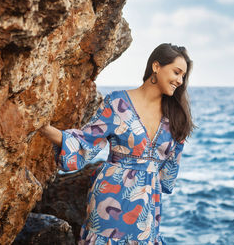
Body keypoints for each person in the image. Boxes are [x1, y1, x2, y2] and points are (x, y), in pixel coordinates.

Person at [39, 43, 195, 244]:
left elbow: (167, 176)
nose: (180, 81)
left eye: (183, 76)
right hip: (109, 199)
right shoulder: (117, 103)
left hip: (147, 207)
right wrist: (44, 128)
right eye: (176, 72)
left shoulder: (176, 117)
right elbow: (85, 142)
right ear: (156, 66)